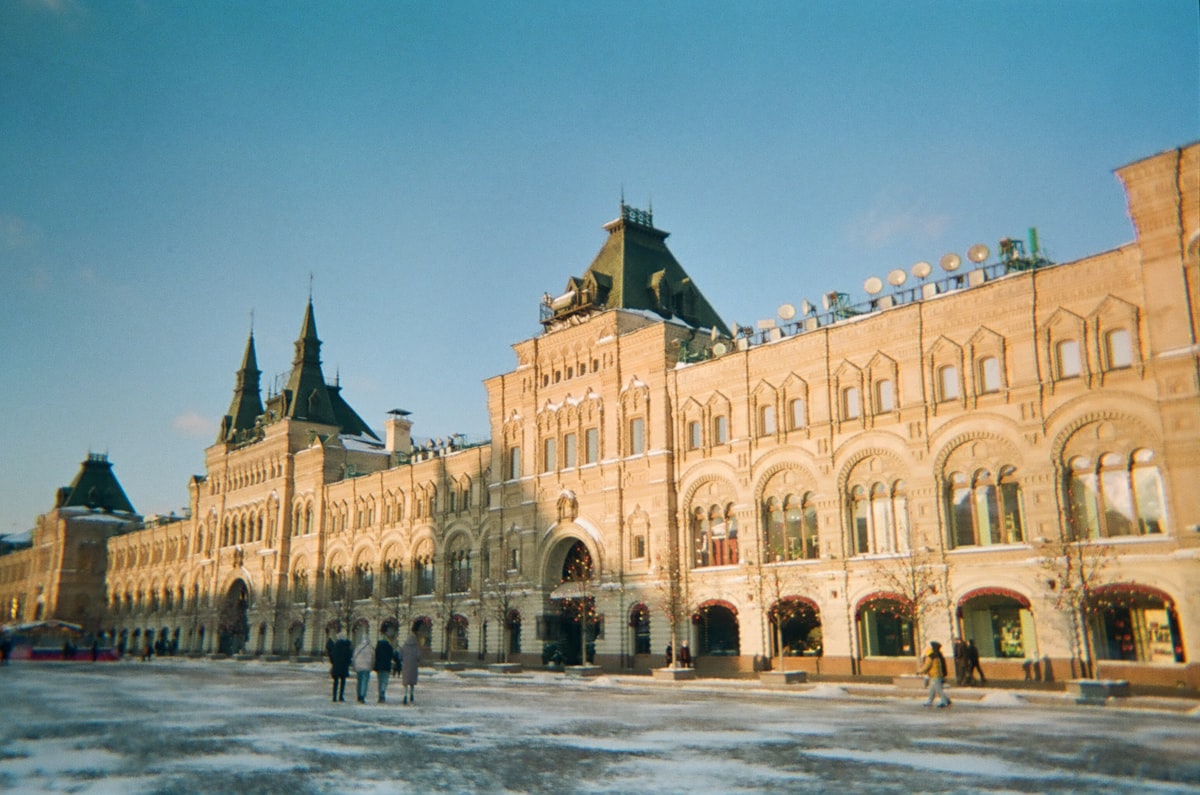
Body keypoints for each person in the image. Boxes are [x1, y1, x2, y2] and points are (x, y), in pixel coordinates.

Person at [918, 640, 952, 708]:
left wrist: (919, 671)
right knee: (932, 689)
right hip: (940, 674)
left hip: (934, 675)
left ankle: (945, 701)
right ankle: (929, 701)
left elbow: (927, 665)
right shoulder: (939, 655)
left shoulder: (931, 656)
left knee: (938, 689)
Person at [399, 620, 423, 705]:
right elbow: (418, 656)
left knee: (406, 682)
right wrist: (418, 661)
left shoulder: (404, 645)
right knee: (412, 682)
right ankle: (411, 694)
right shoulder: (416, 645)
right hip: (413, 666)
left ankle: (405, 694)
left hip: (406, 666)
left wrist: (402, 660)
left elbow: (400, 655)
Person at [373, 629, 396, 703]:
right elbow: (391, 656)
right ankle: (383, 691)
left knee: (380, 681)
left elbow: (375, 656)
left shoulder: (378, 646)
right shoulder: (389, 647)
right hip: (386, 666)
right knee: (385, 681)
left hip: (379, 666)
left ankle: (380, 694)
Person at [328, 631, 352, 703]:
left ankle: (334, 696)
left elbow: (331, 656)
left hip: (336, 666)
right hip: (344, 667)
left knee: (335, 682)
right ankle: (341, 696)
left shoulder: (336, 646)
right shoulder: (347, 646)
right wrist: (347, 663)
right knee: (343, 682)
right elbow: (349, 656)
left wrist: (334, 663)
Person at [352, 634, 374, 704]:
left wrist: (354, 665)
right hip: (367, 667)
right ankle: (362, 696)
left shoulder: (358, 647)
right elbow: (373, 659)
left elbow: (354, 657)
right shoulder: (371, 648)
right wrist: (372, 666)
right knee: (365, 682)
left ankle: (359, 695)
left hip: (359, 667)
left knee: (359, 681)